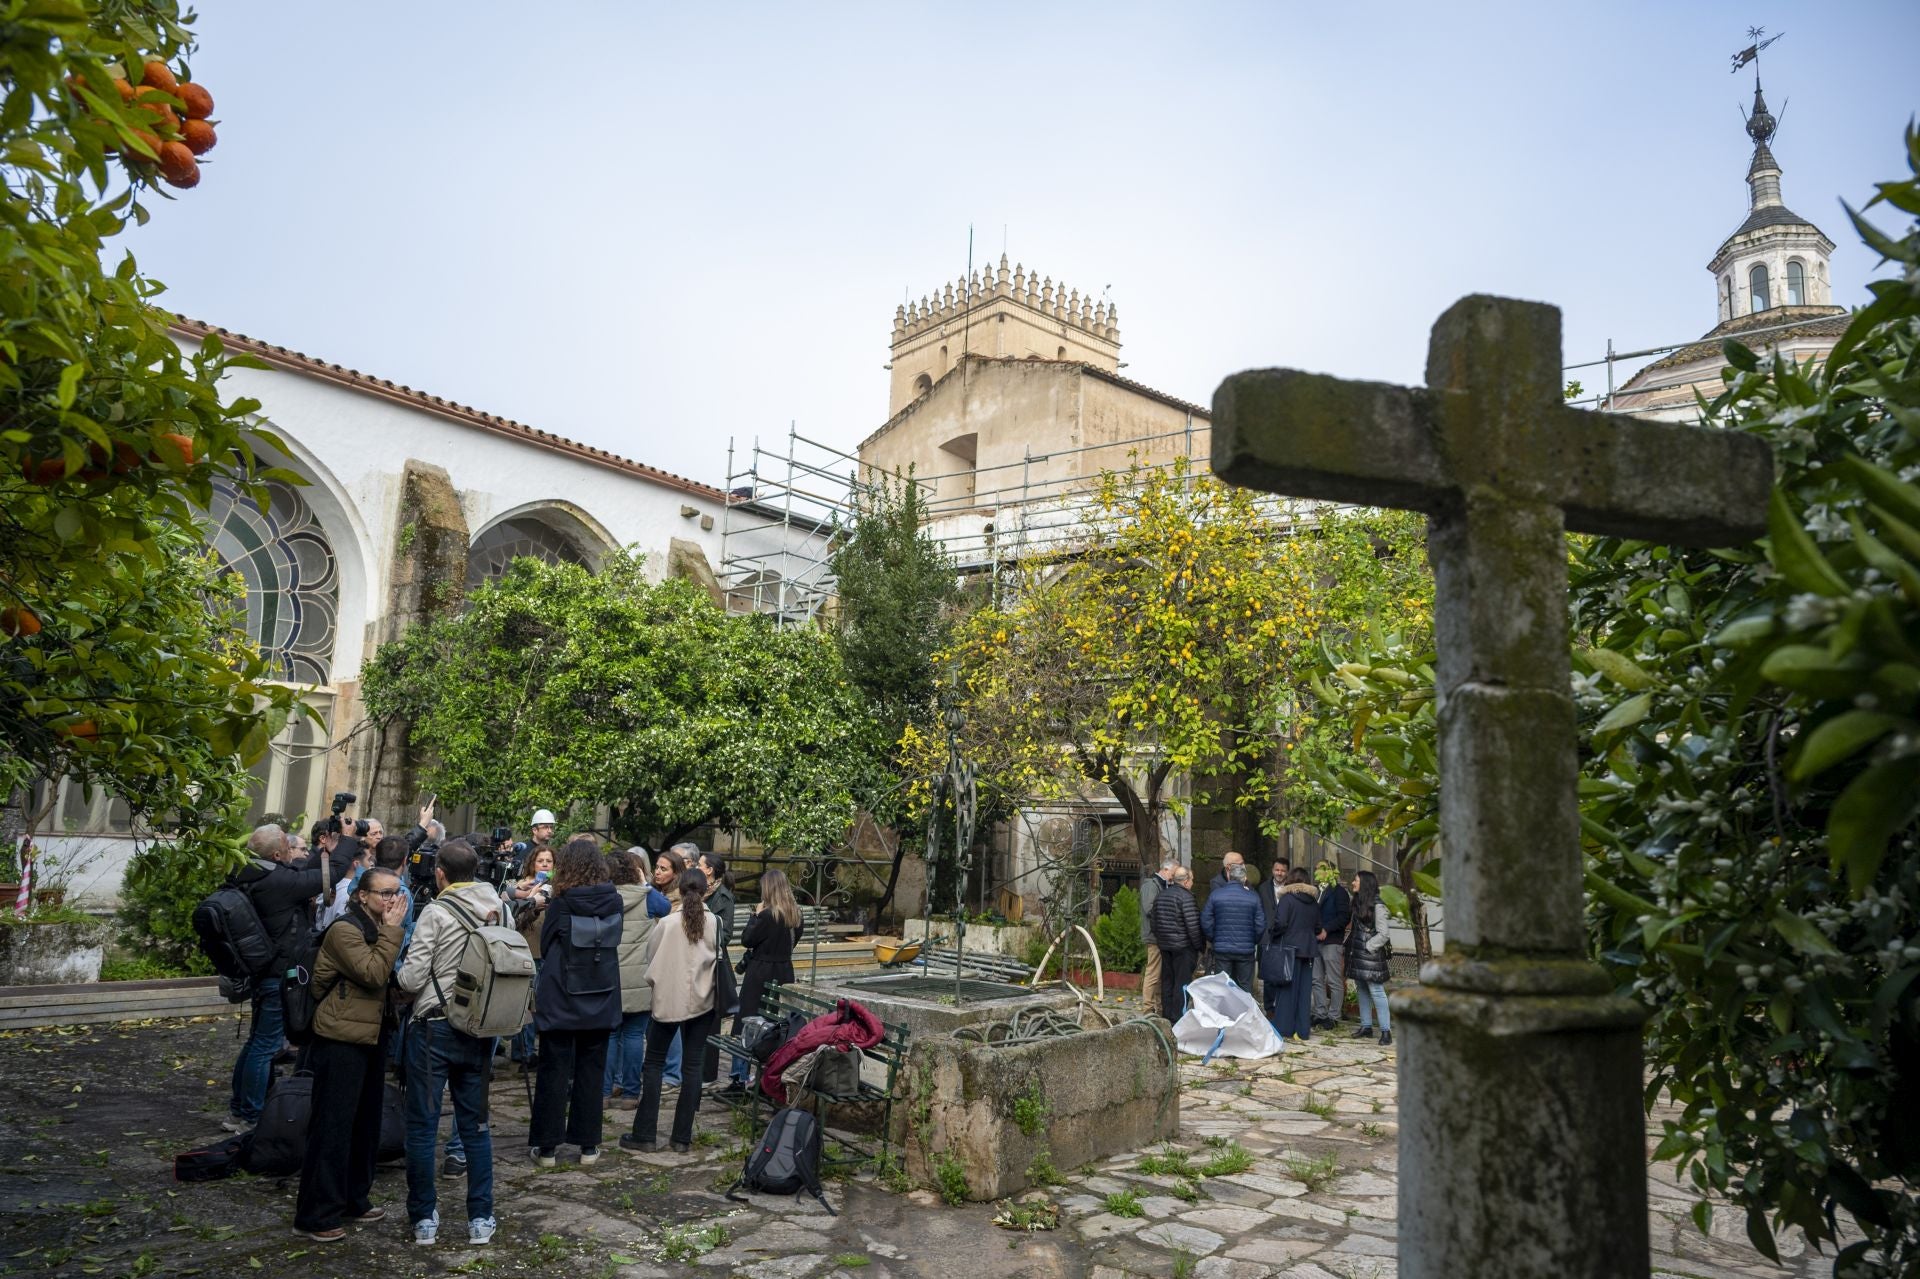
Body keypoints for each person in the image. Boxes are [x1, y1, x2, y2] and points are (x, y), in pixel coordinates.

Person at [393, 840, 501, 1247]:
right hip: (480, 1024)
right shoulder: (500, 906)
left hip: (434, 1026)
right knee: (475, 1126)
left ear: (440, 874)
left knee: (422, 1126)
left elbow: (411, 979)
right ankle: (481, 1216)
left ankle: (424, 1218)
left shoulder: (437, 912)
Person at [292, 867, 406, 1242]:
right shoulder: (344, 930)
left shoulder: (376, 930)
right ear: (361, 896)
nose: (391, 900)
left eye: (395, 892)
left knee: (365, 1124)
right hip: (339, 1038)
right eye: (383, 893)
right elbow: (373, 973)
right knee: (333, 1126)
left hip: (371, 1036)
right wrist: (393, 930)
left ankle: (354, 1198)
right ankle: (316, 1213)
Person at [223, 824, 351, 1133]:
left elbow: (298, 877)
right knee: (265, 1045)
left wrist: (322, 851)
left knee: (256, 1042)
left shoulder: (252, 873)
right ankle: (251, 1116)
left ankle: (240, 1109)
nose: (296, 854)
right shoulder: (276, 881)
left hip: (262, 969)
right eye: (289, 848)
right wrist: (346, 841)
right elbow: (321, 878)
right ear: (279, 854)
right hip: (276, 972)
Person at [529, 837, 623, 1167]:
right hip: (600, 990)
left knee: (553, 1068)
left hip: (562, 992)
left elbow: (547, 939)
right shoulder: (615, 899)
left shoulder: (561, 901)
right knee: (591, 1070)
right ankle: (588, 1146)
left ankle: (548, 1148)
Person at [622, 867, 723, 1155]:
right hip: (703, 1000)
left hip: (667, 1000)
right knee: (693, 1067)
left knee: (653, 1064)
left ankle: (644, 1133)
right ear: (706, 890)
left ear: (679, 889)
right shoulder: (714, 922)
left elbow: (650, 955)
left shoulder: (666, 924)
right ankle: (682, 1137)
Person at [724, 867, 803, 1092]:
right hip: (784, 970)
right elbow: (793, 942)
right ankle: (764, 1074)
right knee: (774, 1023)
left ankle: (739, 1076)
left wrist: (754, 915)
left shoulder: (768, 915)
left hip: (760, 972)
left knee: (747, 1022)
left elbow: (747, 939)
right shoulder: (796, 915)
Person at [604, 850, 670, 1107]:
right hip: (640, 978)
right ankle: (631, 1094)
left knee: (609, 1036)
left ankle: (604, 1092)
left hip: (610, 977)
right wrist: (644, 884)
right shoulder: (648, 898)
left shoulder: (605, 896)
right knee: (634, 1036)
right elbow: (666, 908)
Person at [506, 844, 554, 1067]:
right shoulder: (520, 884)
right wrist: (531, 900)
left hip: (546, 950)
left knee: (539, 1003)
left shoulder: (556, 887)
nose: (544, 864)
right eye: (540, 860)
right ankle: (522, 1050)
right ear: (532, 863)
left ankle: (527, 1048)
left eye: (549, 861)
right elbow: (509, 907)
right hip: (526, 947)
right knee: (525, 1002)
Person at [692, 849, 736, 1087]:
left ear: (709, 870)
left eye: (700, 864)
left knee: (711, 1021)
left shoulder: (724, 898)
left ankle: (707, 1073)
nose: (697, 867)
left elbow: (726, 935)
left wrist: (702, 934)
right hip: (693, 960)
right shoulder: (696, 891)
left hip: (712, 963)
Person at [1266, 868, 1321, 1041]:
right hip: (1309, 950)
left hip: (1289, 949)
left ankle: (1284, 1028)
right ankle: (1303, 1030)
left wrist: (1272, 933)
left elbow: (1280, 923)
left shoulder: (1287, 899)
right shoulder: (1313, 902)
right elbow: (1318, 927)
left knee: (1286, 989)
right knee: (1305, 992)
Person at [1344, 870, 1393, 1047]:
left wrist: (1368, 946)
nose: (1352, 883)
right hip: (1359, 955)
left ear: (1364, 884)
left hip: (1370, 956)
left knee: (1377, 992)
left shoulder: (1377, 906)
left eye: (1355, 880)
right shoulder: (1358, 902)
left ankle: (1386, 1030)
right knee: (1362, 989)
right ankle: (1366, 1026)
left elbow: (1384, 934)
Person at [1148, 866, 1203, 1020]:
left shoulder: (1161, 895)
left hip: (1165, 946)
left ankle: (1166, 1016)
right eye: (1191, 879)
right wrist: (1199, 946)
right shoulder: (1187, 897)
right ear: (1186, 881)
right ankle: (1178, 1018)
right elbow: (1193, 926)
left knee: (1167, 981)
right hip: (1183, 948)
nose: (1192, 882)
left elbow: (1154, 922)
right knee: (1182, 983)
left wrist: (1162, 939)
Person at [1201, 860, 1264, 994]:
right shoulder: (1253, 897)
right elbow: (1260, 925)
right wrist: (1253, 941)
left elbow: (1206, 920)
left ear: (1229, 877)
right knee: (1245, 987)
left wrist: (1214, 938)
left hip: (1222, 949)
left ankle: (1224, 1014)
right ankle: (1243, 1013)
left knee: (1223, 986)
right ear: (1244, 878)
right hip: (1245, 950)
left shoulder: (1216, 895)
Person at [1312, 860, 1352, 1030]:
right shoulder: (1315, 891)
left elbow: (1344, 917)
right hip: (1315, 941)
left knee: (1334, 980)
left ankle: (1334, 1016)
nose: (1318, 871)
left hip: (1332, 941)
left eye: (1323, 868)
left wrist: (1326, 930)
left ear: (1331, 871)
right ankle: (1320, 1013)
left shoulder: (1339, 891)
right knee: (1316, 979)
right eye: (1317, 868)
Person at [1138, 862, 1170, 1017]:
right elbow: (1149, 908)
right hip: (1153, 935)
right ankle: (1148, 1009)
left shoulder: (1160, 885)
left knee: (1158, 973)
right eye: (1173, 872)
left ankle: (1157, 1007)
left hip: (1158, 935)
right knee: (1153, 973)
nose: (1174, 877)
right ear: (1165, 869)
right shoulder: (1151, 885)